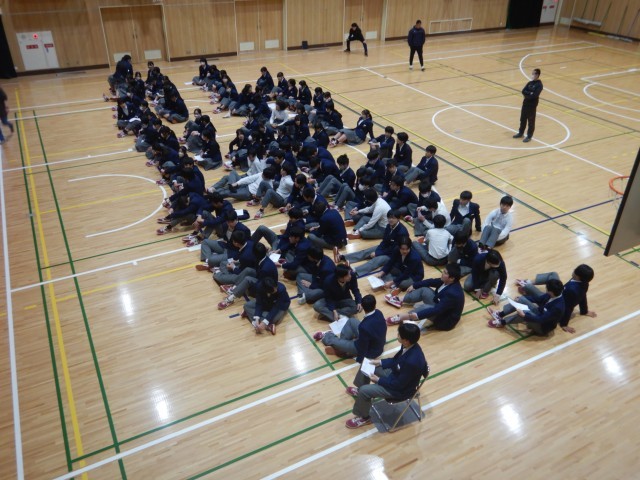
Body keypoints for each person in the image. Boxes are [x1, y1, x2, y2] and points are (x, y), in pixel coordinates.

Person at [345, 322, 428, 429]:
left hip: (399, 390)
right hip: (396, 376)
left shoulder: (412, 362)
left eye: (399, 334)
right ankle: (360, 391)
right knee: (368, 363)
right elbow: (395, 361)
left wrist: (378, 380)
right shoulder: (410, 345)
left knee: (365, 391)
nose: (397, 335)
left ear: (406, 340)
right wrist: (380, 362)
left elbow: (398, 385)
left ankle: (364, 417)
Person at [515, 264, 596, 333]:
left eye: (575, 270)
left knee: (529, 289)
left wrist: (564, 324)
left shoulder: (572, 290)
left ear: (578, 276)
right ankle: (527, 283)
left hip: (552, 300)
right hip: (555, 293)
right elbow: (582, 296)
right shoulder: (583, 283)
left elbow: (569, 307)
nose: (573, 270)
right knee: (553, 274)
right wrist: (584, 311)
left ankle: (526, 287)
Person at [385, 264, 465, 332]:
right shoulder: (447, 281)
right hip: (440, 306)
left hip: (444, 320)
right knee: (424, 290)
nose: (442, 273)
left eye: (445, 272)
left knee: (425, 307)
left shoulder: (452, 293)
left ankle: (403, 317)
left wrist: (417, 315)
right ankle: (400, 300)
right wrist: (414, 285)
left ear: (452, 278)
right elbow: (430, 281)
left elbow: (437, 310)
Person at [314, 294, 385, 361]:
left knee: (335, 341)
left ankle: (326, 337)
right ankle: (341, 345)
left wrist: (358, 358)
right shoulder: (379, 312)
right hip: (378, 344)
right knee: (351, 321)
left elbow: (362, 347)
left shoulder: (364, 326)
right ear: (375, 305)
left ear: (362, 307)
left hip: (369, 351)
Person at [487, 279, 565, 336]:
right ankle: (500, 314)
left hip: (542, 326)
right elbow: (538, 299)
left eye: (547, 289)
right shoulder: (551, 295)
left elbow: (541, 319)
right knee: (521, 299)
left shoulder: (557, 307)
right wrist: (523, 298)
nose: (546, 290)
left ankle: (502, 322)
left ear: (551, 292)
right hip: (539, 313)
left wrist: (524, 316)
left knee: (524, 313)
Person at [514, 68, 543, 143]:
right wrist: (530, 93)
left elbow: (535, 95)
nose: (532, 75)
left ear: (537, 75)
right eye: (532, 73)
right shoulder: (529, 83)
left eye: (533, 74)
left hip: (532, 105)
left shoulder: (539, 85)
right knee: (522, 119)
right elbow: (523, 91)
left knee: (531, 121)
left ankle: (529, 136)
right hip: (525, 104)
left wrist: (528, 94)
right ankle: (521, 133)